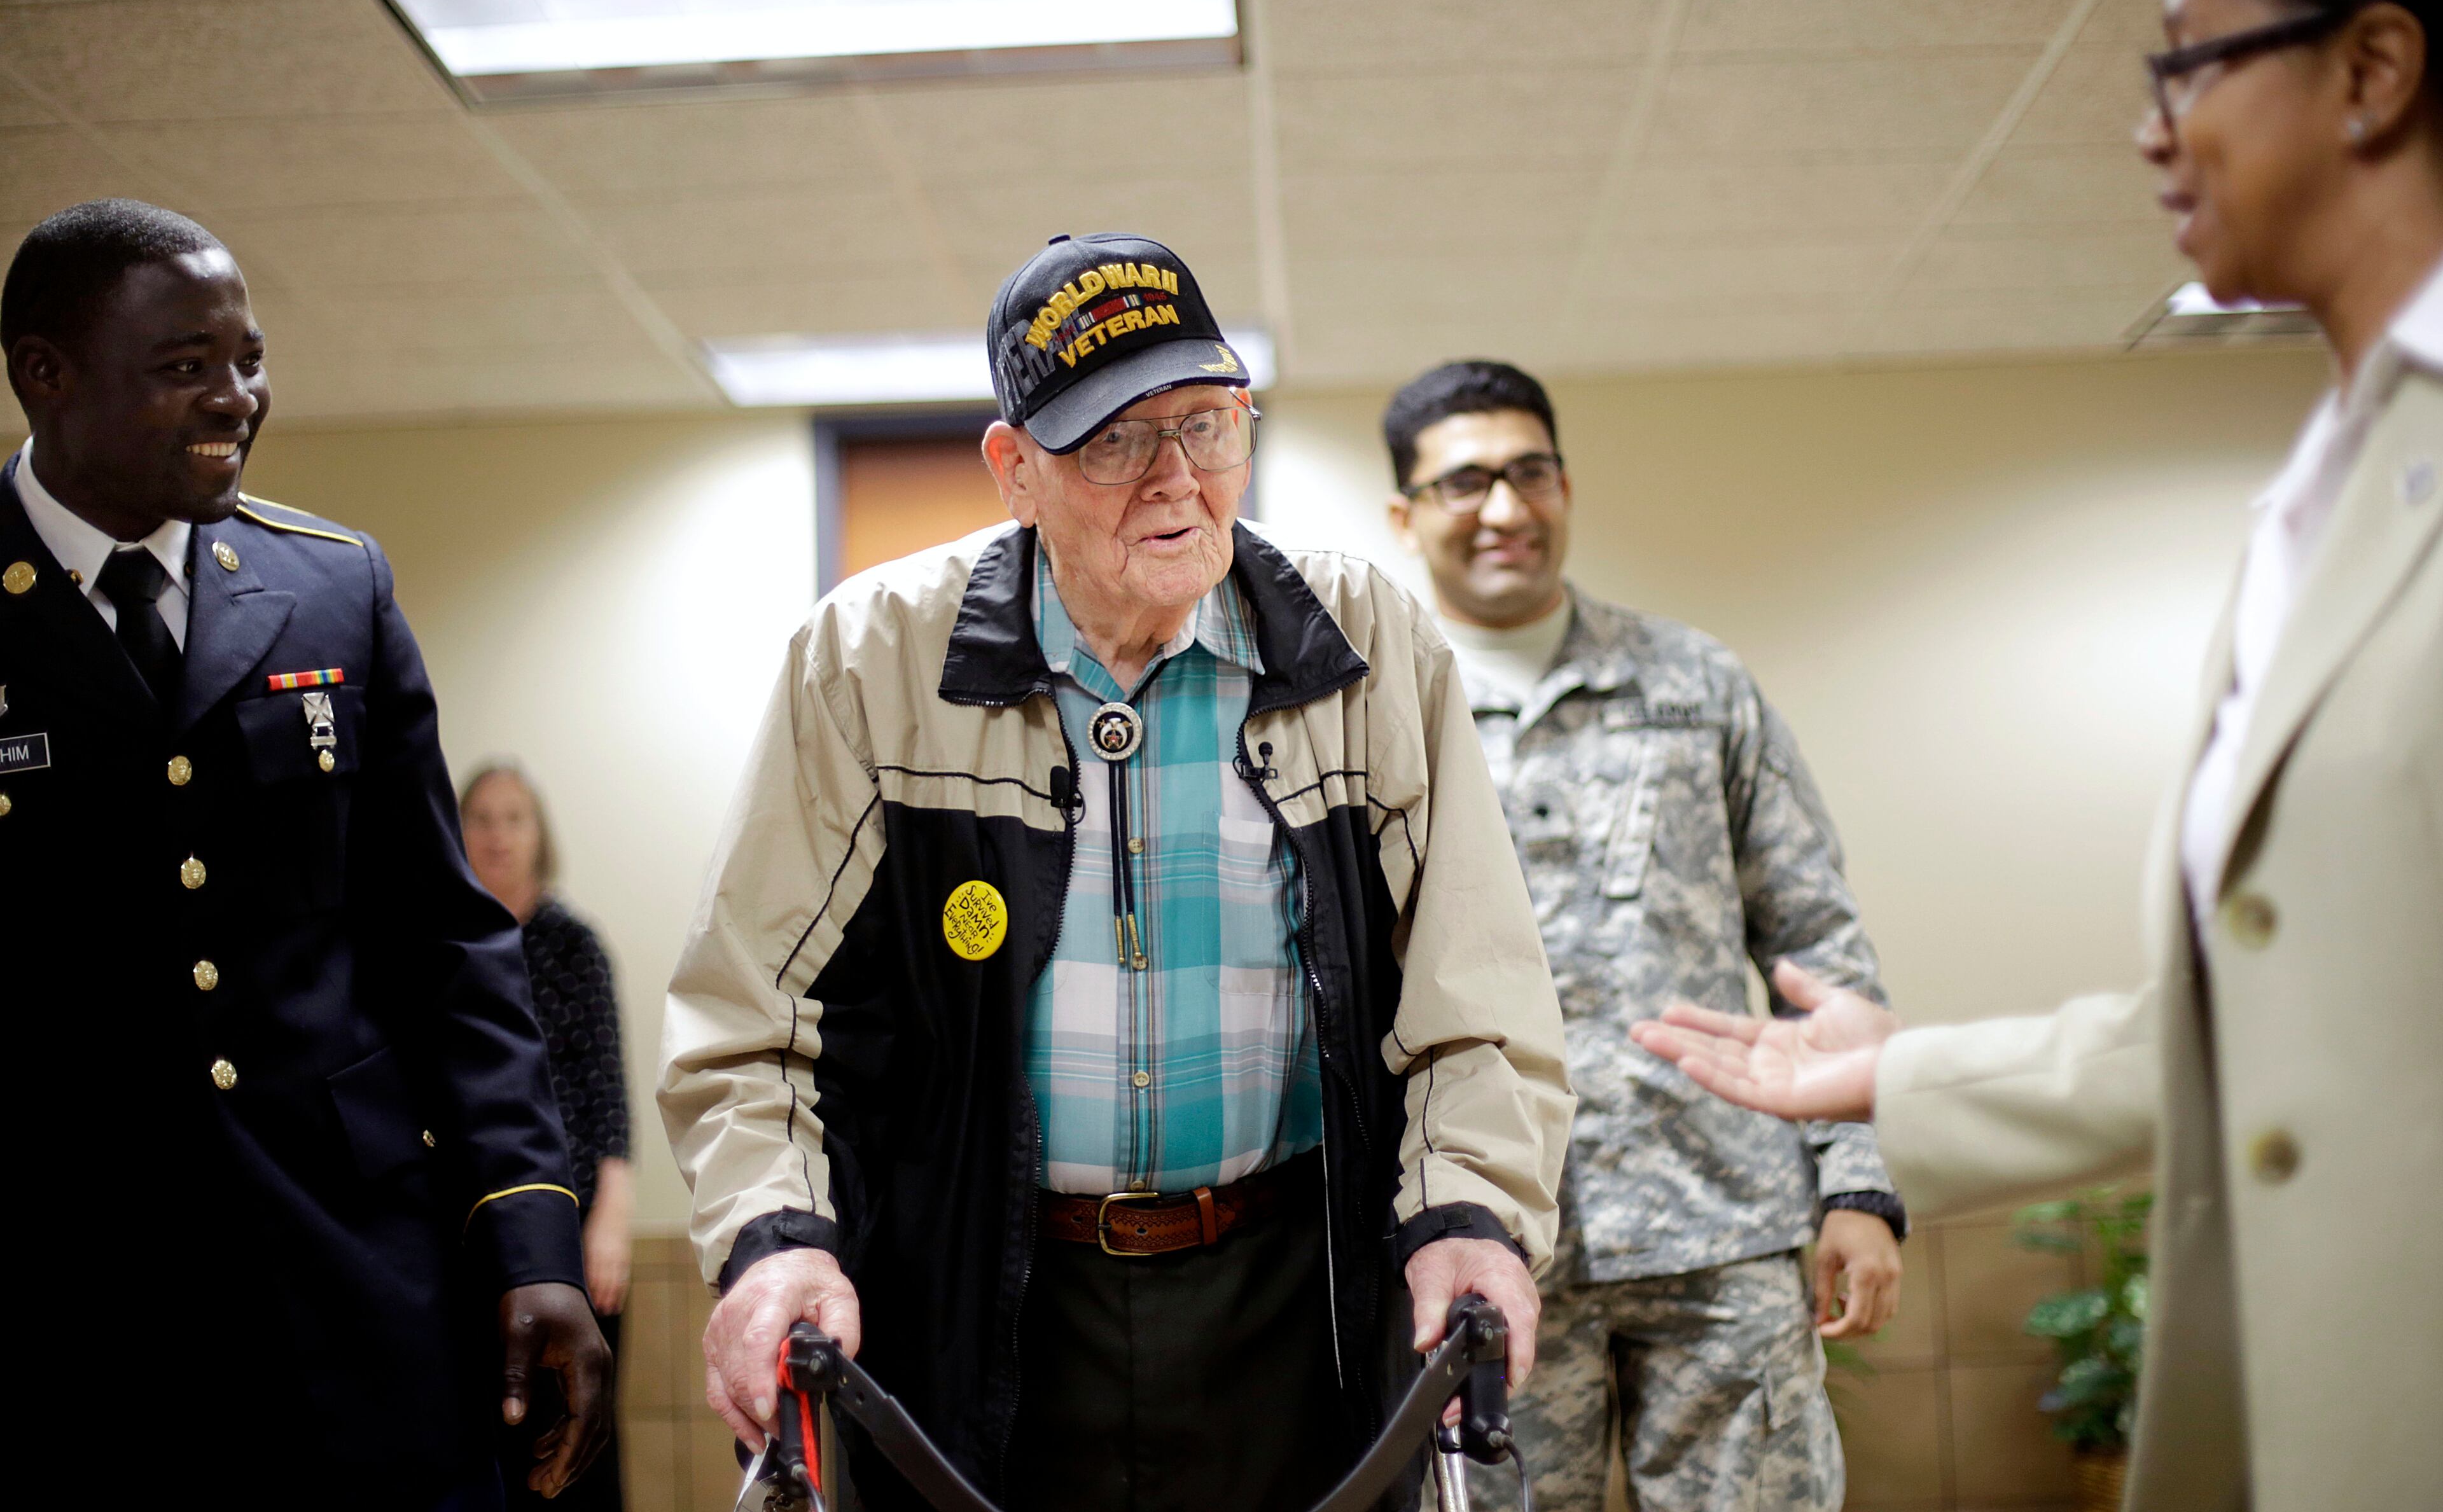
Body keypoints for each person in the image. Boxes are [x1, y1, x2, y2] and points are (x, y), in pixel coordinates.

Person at [1631, 0, 2442, 1509]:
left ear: (2372, 68)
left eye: (2184, 63)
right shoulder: (2318, 492)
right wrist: (1899, 1076)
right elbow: (2272, 1014)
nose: (2145, 128)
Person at [659, 232, 1573, 1512]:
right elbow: (751, 1030)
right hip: (990, 1298)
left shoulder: (1365, 642)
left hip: (1290, 1298)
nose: (1178, 481)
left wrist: (1471, 1209)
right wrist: (774, 1238)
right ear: (1014, 469)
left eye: (1207, 424)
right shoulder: (867, 662)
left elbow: (1475, 993)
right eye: (1115, 442)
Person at [1, 198, 611, 1506]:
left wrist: (532, 1234)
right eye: (184, 368)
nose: (237, 399)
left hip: (354, 1281)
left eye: (249, 358)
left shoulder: (333, 584)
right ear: (42, 375)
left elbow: (449, 943)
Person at [1380, 360, 1907, 1512]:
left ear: (1565, 484)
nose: (1507, 508)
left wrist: (1860, 1184)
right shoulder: (1381, 710)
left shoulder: (1696, 682)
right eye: (1467, 481)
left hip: (1721, 1225)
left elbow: (1818, 940)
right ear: (1404, 514)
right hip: (1492, 1239)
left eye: (1531, 473)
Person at [462, 762, 634, 1511]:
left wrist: (612, 1221)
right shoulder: (448, 946)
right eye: (482, 817)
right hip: (476, 1237)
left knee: (582, 1439)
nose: (497, 835)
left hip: (575, 1232)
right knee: (492, 1442)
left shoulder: (574, 946)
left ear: (540, 836)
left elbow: (607, 1092)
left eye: (514, 817)